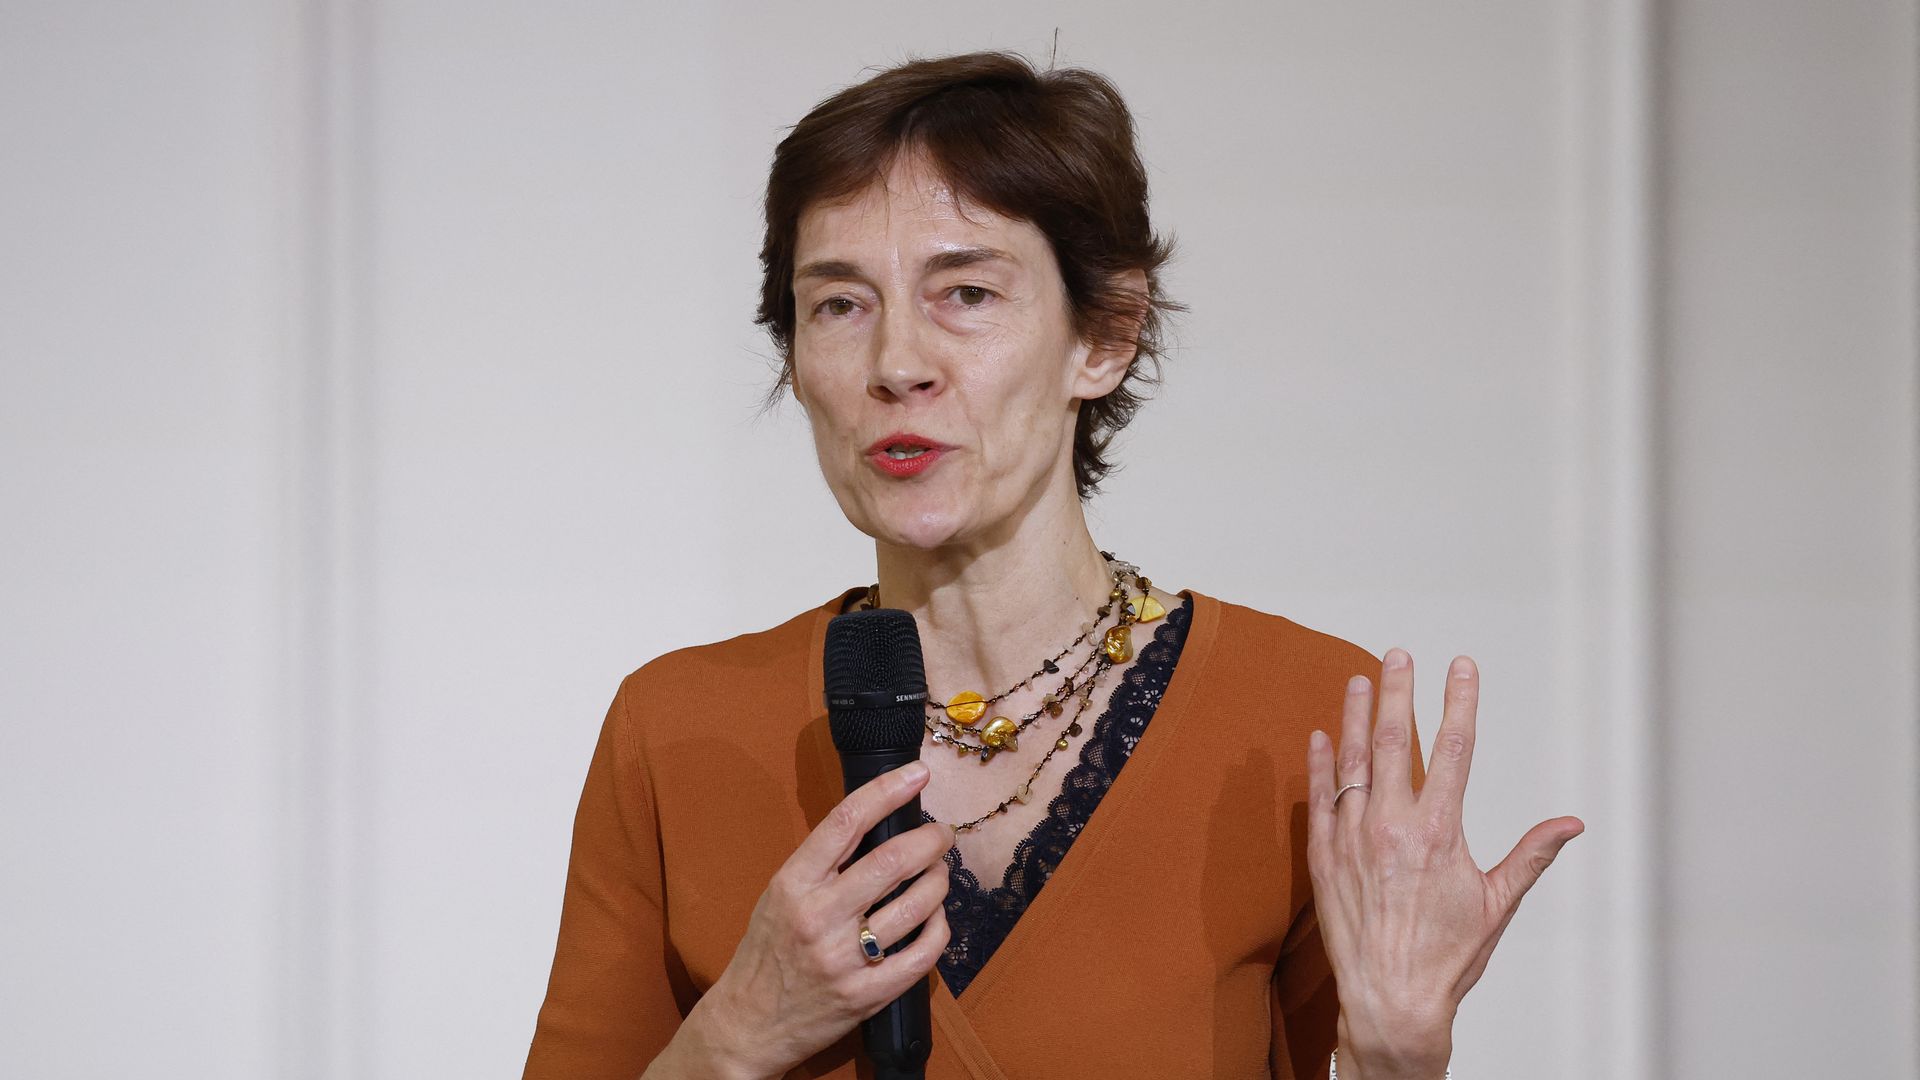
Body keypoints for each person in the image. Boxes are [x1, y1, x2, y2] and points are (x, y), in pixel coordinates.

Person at [523, 50, 1583, 1080]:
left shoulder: (1299, 725)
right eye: (839, 304)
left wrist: (1400, 1064)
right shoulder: (675, 732)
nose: (896, 365)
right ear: (795, 361)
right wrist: (733, 1039)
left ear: (1106, 337)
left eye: (966, 295)